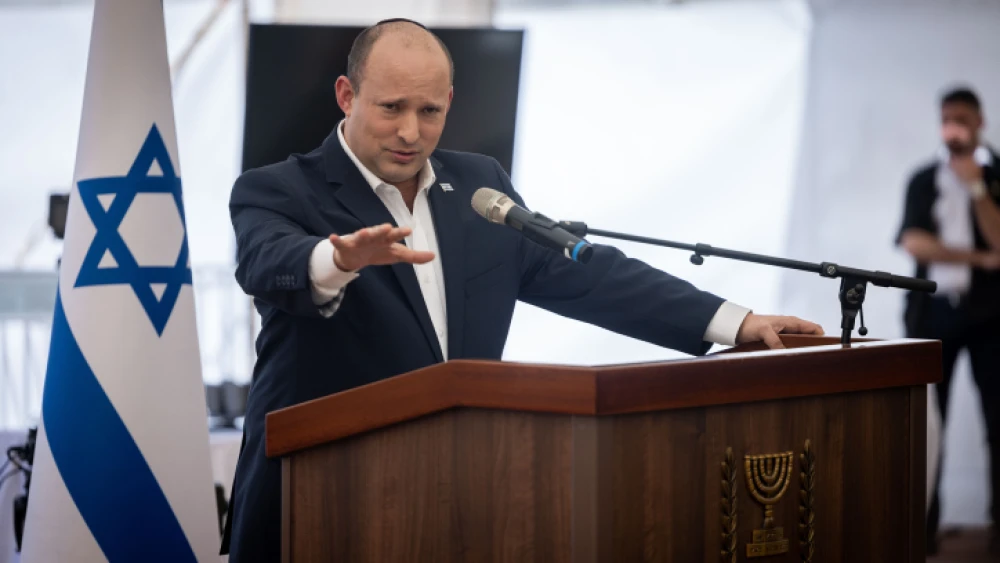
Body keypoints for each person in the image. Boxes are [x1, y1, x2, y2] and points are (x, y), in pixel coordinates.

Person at [221, 18, 824, 562]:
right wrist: (337, 257)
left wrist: (734, 322)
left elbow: (590, 276)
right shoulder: (277, 189)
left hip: (458, 494)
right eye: (391, 108)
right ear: (346, 96)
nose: (410, 131)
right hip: (321, 494)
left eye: (429, 111)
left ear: (450, 103)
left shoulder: (480, 185)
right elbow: (267, 262)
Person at [896, 86, 1000, 555]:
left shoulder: (996, 175)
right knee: (926, 424)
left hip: (992, 317)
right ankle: (922, 529)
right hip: (933, 312)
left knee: (999, 419)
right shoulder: (923, 178)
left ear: (979, 122)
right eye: (946, 119)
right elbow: (914, 242)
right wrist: (979, 257)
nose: (953, 127)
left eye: (962, 118)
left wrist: (976, 185)